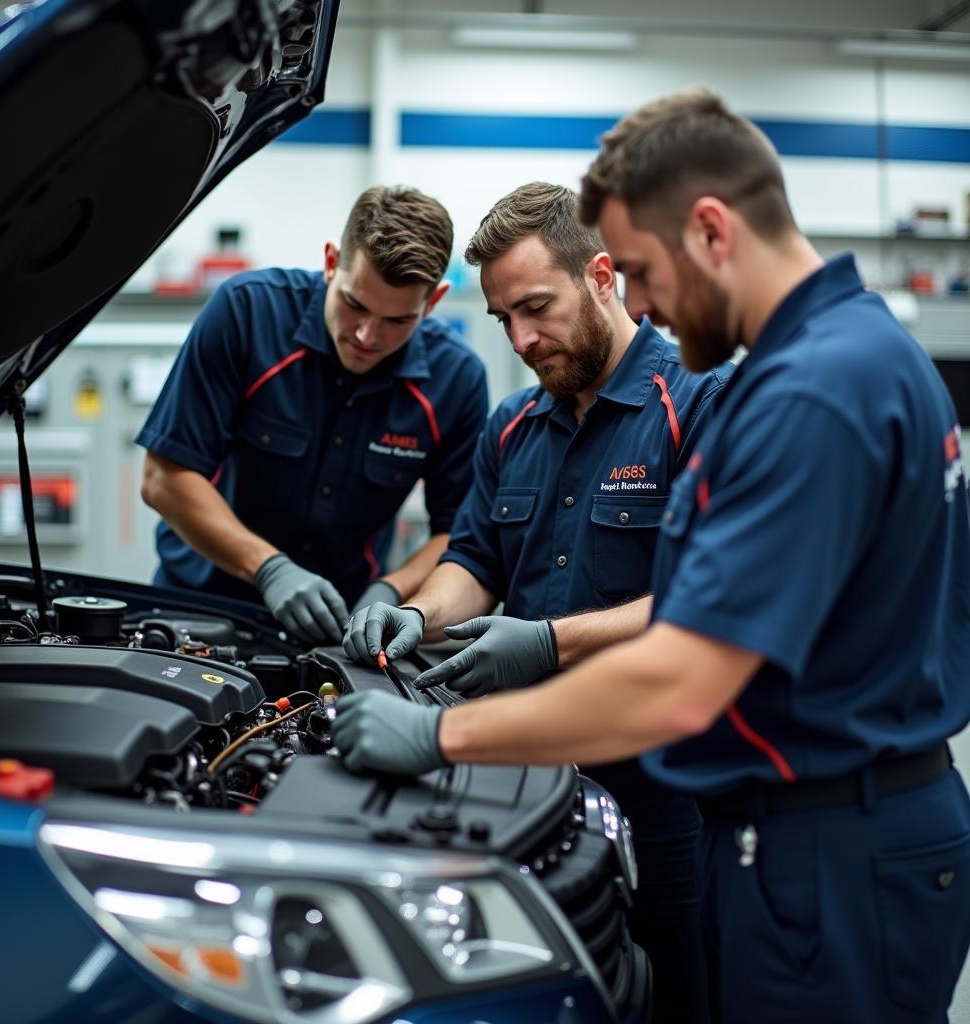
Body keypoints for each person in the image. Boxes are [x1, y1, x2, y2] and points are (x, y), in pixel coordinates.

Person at [332, 90, 970, 1024]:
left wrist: (443, 733)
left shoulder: (812, 390)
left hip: (826, 832)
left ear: (709, 229)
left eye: (635, 270)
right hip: (795, 821)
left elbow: (680, 671)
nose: (636, 302)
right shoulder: (861, 354)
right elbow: (485, 557)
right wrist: (419, 610)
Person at [344, 181, 730, 1023]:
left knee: (679, 1000)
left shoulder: (698, 405)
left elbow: (711, 597)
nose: (522, 339)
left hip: (665, 798)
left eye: (537, 308)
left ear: (601, 275)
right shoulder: (514, 424)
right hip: (524, 790)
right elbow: (474, 559)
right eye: (503, 320)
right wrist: (419, 613)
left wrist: (551, 642)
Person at [136, 186, 488, 644]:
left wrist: (392, 591)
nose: (367, 335)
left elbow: (457, 535)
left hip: (339, 632)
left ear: (434, 302)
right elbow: (164, 477)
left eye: (397, 320)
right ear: (330, 262)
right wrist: (269, 568)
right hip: (199, 610)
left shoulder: (455, 379)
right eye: (355, 303)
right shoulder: (246, 313)